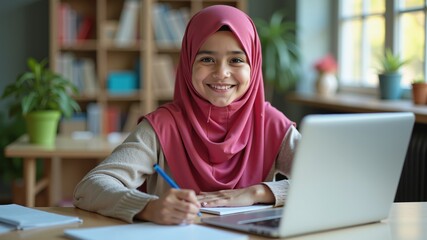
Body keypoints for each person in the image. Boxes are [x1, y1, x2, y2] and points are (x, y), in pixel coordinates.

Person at [73, 5, 301, 225]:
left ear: (253, 64)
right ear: (187, 63)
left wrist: (258, 192)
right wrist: (148, 207)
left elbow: (330, 181)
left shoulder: (272, 124)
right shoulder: (163, 126)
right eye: (207, 59)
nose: (222, 72)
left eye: (236, 60)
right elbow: (90, 187)